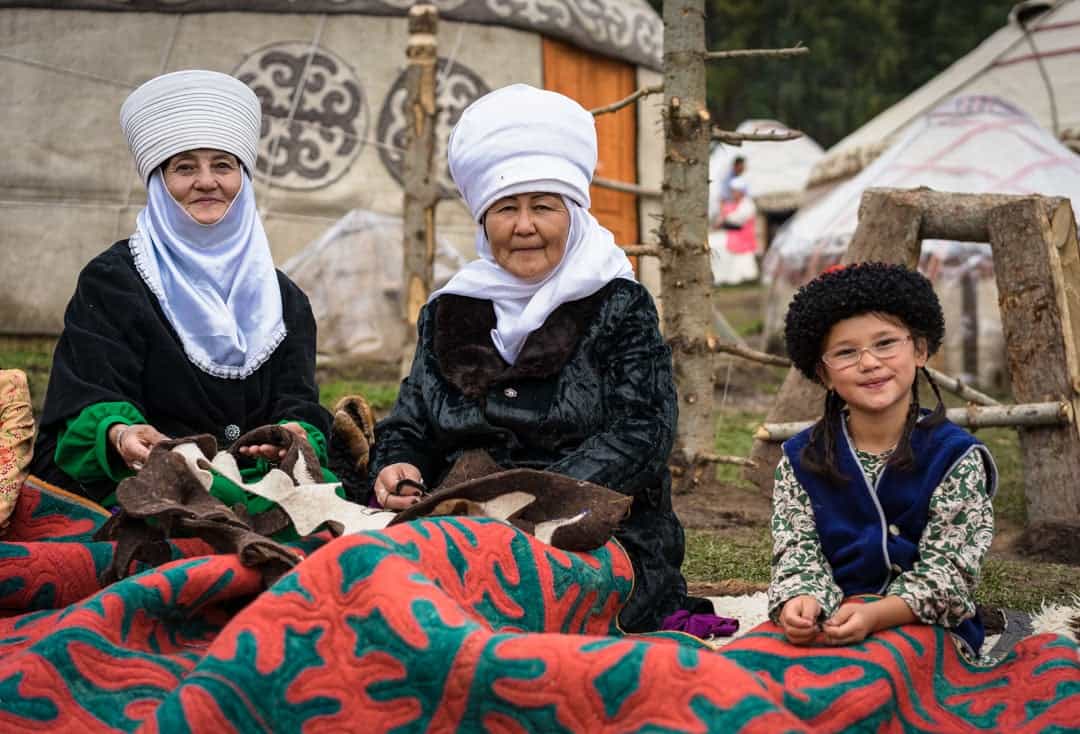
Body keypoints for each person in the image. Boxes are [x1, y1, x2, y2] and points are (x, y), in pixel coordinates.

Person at [368, 84, 705, 633]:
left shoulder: (617, 303)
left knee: (455, 594)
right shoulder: (451, 310)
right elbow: (412, 422)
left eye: (542, 206)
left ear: (572, 212)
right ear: (483, 221)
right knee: (373, 574)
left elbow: (641, 434)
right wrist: (396, 465)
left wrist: (524, 505)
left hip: (598, 532)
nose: (524, 225)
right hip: (460, 516)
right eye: (505, 208)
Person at [30, 70, 334, 510]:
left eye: (223, 165)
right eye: (185, 166)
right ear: (159, 182)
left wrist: (292, 437)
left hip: (258, 486)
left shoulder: (284, 300)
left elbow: (298, 401)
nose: (207, 181)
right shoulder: (114, 282)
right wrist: (124, 435)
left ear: (244, 179)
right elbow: (89, 398)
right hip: (142, 486)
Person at [769, 262, 997, 656]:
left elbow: (950, 572)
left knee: (872, 682)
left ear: (920, 349)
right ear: (823, 373)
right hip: (830, 620)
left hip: (921, 625)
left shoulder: (955, 457)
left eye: (886, 343)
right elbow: (797, 551)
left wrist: (878, 615)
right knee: (755, 671)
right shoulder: (800, 459)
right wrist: (801, 603)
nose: (870, 363)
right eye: (845, 352)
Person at [708, 176, 759, 286]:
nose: (733, 193)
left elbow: (736, 219)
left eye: (735, 191)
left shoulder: (747, 205)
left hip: (743, 237)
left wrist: (723, 220)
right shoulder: (732, 204)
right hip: (732, 236)